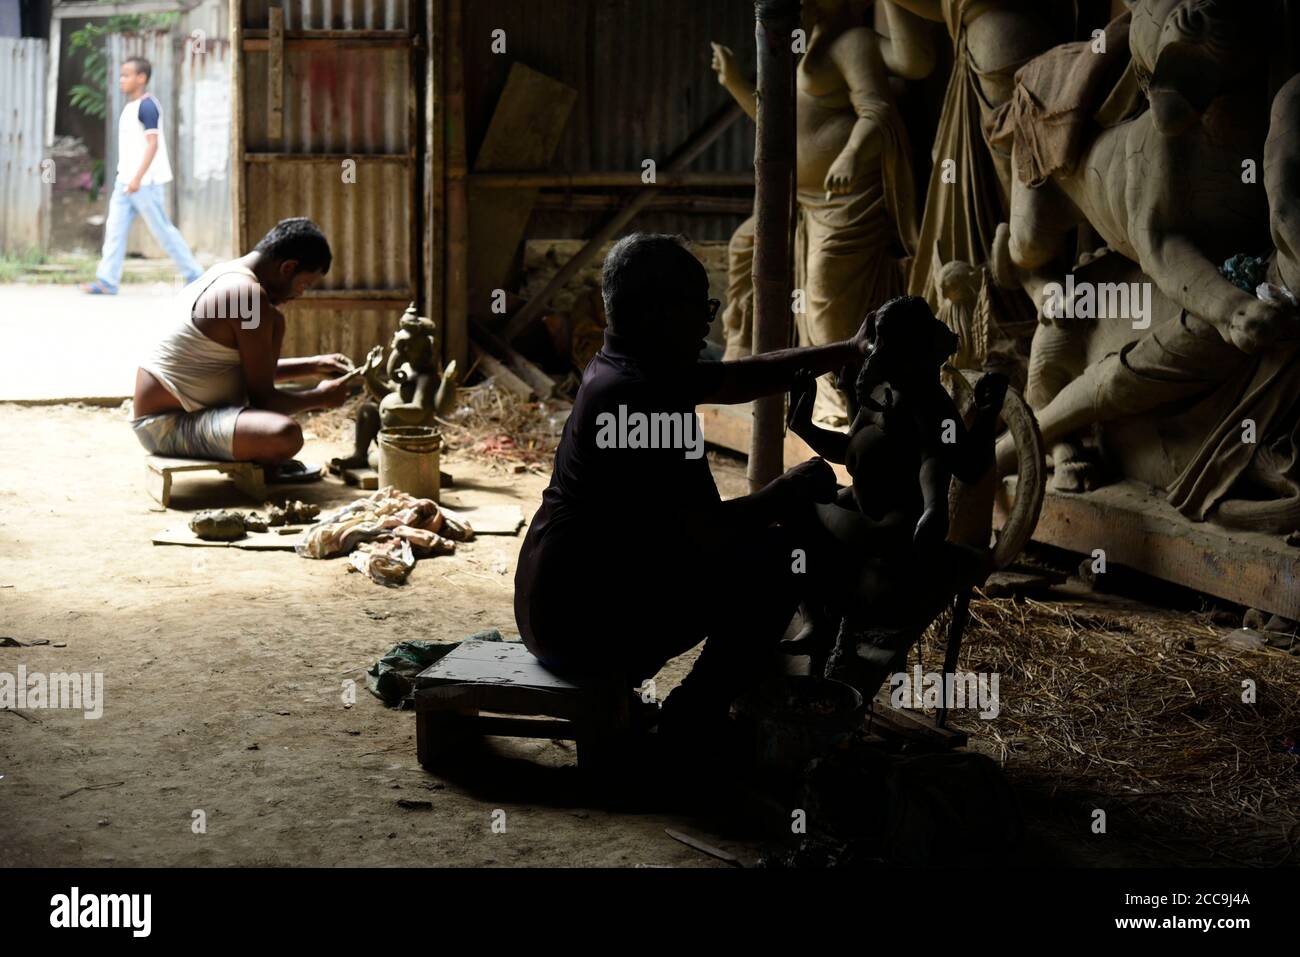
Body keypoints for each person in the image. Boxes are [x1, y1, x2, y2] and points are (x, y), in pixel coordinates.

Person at [513, 233, 877, 740]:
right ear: (655, 312)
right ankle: (689, 722)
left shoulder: (632, 365)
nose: (709, 318)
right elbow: (704, 533)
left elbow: (739, 378)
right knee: (776, 560)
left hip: (556, 601)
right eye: (698, 305)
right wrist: (783, 491)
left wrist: (845, 351)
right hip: (578, 624)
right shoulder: (635, 398)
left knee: (766, 545)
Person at [129, 217, 354, 472]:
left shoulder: (227, 274)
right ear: (288, 268)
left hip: (171, 418)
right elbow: (265, 401)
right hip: (166, 427)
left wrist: (312, 366)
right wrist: (321, 397)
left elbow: (243, 369)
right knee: (284, 434)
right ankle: (263, 459)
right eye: (304, 284)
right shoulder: (247, 296)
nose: (300, 294)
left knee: (275, 321)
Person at [81, 56, 204, 296]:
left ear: (141, 78)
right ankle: (107, 281)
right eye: (121, 74)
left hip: (145, 184)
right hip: (124, 182)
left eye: (126, 75)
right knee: (114, 231)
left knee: (163, 231)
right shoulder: (130, 107)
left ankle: (195, 275)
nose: (121, 79)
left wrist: (138, 178)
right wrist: (127, 179)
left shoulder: (148, 106)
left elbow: (152, 145)